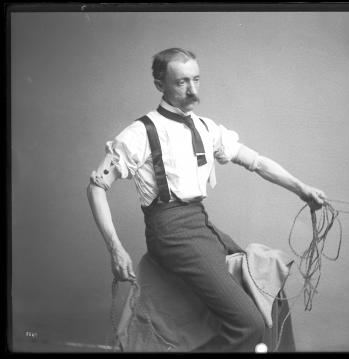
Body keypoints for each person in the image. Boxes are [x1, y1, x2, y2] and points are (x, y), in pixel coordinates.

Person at [86, 47, 327, 352]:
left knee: (266, 289)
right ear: (160, 84)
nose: (192, 89)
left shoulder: (206, 128)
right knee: (249, 323)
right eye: (181, 82)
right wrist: (115, 249)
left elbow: (258, 162)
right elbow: (95, 187)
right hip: (170, 235)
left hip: (201, 226)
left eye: (196, 80)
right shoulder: (140, 132)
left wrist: (302, 189)